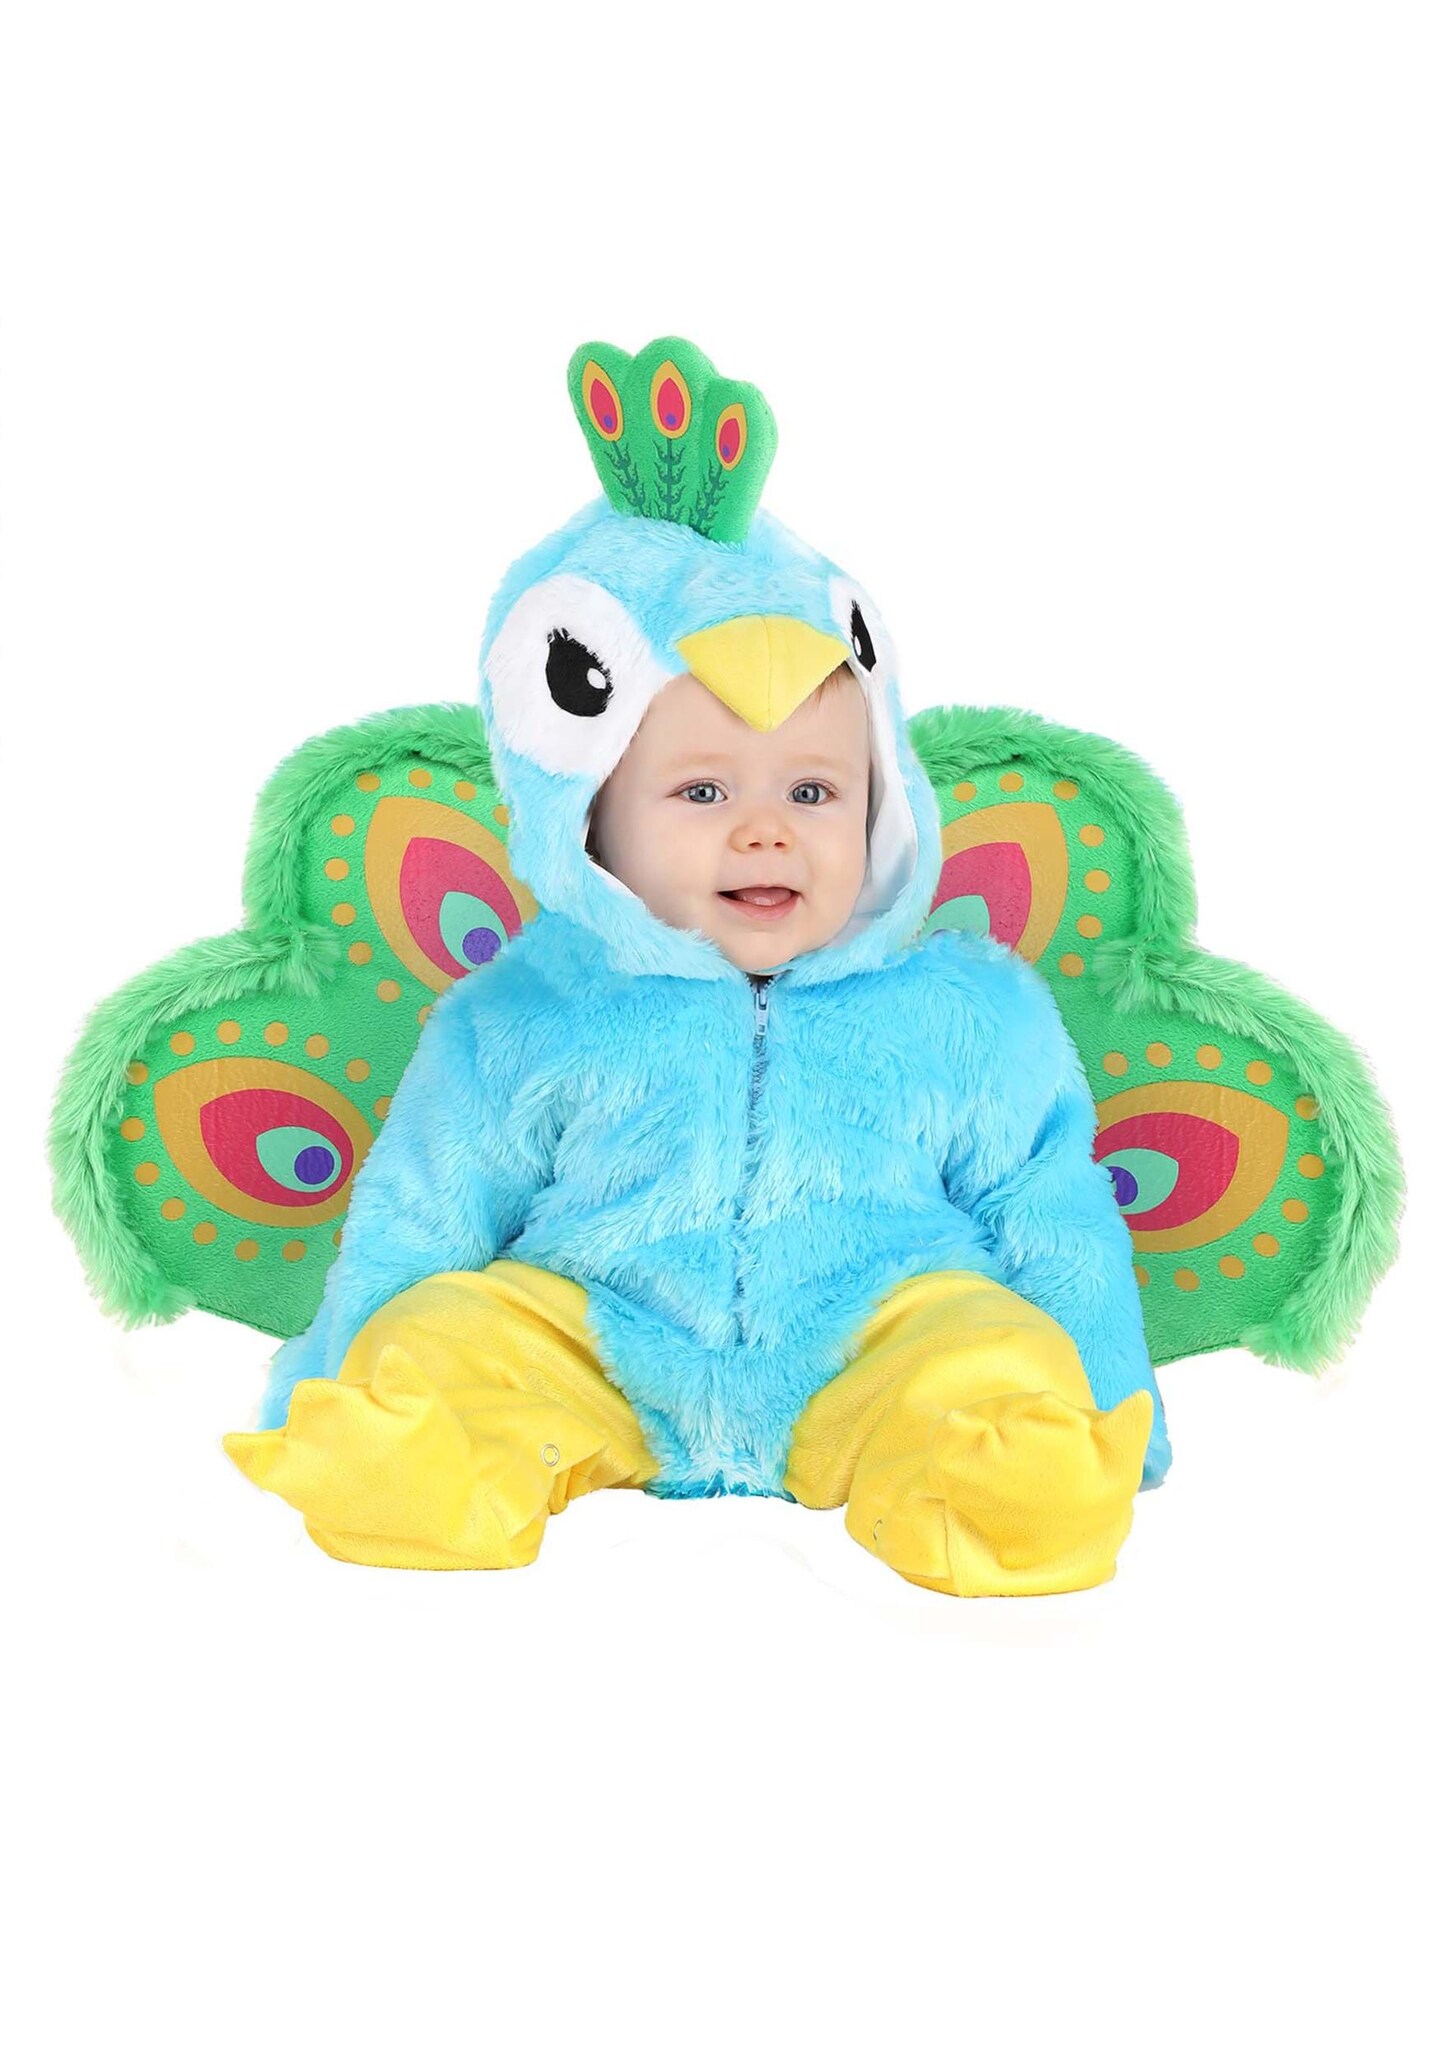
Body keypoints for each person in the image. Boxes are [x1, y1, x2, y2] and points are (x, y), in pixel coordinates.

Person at [224, 339, 1170, 1594]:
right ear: (593, 825)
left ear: (885, 800)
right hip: (596, 1338)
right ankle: (417, 1448)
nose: (766, 832)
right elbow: (424, 1208)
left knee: (988, 1351)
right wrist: (341, 1366)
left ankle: (1010, 1472)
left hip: (876, 1330)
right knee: (450, 1336)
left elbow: (1052, 1214)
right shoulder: (522, 1012)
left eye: (814, 791)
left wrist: (1108, 1396)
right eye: (703, 792)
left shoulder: (973, 1014)